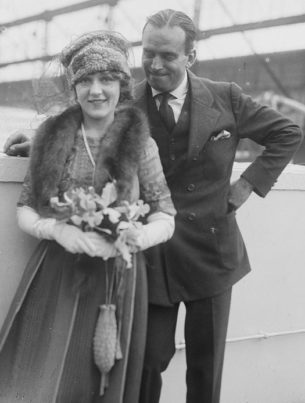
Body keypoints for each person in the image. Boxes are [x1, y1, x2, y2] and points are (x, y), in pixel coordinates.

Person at [4, 9, 303, 403]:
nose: (155, 64)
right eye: (148, 54)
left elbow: (288, 132)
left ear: (190, 58)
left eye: (168, 56)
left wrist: (247, 185)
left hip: (212, 256)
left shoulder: (225, 96)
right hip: (152, 259)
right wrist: (35, 139)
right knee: (147, 366)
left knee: (205, 367)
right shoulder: (128, 102)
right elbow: (82, 115)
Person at [0, 30, 176, 403]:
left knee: (101, 379)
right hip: (59, 273)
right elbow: (26, 210)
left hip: (118, 279)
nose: (96, 90)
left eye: (107, 79)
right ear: (74, 88)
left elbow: (165, 215)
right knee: (44, 372)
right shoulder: (53, 137)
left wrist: (134, 238)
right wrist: (58, 231)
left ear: (121, 86)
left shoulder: (141, 143)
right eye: (86, 81)